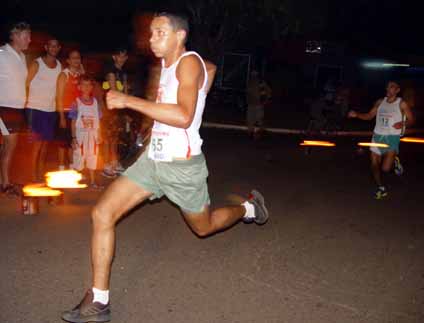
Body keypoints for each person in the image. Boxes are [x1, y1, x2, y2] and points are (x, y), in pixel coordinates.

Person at [61, 12, 269, 323]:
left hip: (181, 167)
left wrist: (129, 101)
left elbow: (184, 115)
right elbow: (209, 71)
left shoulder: (188, 62)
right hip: (153, 161)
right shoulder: (173, 65)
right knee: (102, 213)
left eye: (159, 32)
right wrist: (200, 94)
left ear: (180, 36)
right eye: (151, 33)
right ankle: (99, 300)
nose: (151, 38)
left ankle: (249, 209)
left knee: (204, 226)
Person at [348, 81, 414, 199]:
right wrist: (357, 115)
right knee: (374, 165)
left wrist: (402, 123)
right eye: (387, 87)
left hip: (392, 138)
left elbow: (412, 120)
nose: (388, 89)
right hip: (377, 136)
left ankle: (395, 161)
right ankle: (381, 188)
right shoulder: (380, 102)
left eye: (392, 87)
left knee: (385, 168)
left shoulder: (402, 104)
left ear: (397, 90)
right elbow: (369, 116)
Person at [0, 22, 31, 196]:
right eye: (26, 36)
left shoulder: (22, 57)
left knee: (9, 146)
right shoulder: (2, 53)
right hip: (4, 106)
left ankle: (5, 180)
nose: (29, 40)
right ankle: (5, 184)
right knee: (10, 145)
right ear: (15, 36)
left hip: (17, 107)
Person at [26, 38, 62, 181]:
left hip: (50, 110)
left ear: (59, 48)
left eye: (56, 46)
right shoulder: (37, 64)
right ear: (46, 47)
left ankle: (40, 176)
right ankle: (31, 177)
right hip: (34, 109)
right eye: (51, 46)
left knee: (45, 146)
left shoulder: (59, 65)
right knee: (35, 145)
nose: (53, 48)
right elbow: (25, 84)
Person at [100, 48, 129, 178]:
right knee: (107, 139)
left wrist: (127, 110)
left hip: (119, 110)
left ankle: (114, 162)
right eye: (119, 56)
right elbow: (114, 91)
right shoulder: (111, 72)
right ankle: (106, 165)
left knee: (116, 138)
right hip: (109, 110)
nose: (121, 59)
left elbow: (126, 92)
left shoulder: (123, 73)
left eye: (124, 56)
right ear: (114, 57)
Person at [69, 76, 102, 188]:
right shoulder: (76, 102)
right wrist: (73, 137)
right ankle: (77, 179)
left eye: (89, 85)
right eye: (84, 84)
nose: (87, 87)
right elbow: (73, 121)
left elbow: (98, 119)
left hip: (93, 135)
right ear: (79, 87)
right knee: (79, 155)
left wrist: (99, 134)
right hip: (80, 134)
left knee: (93, 156)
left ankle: (92, 181)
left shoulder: (95, 102)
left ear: (92, 87)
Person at [56, 49, 84, 170]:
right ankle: (61, 168)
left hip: (77, 113)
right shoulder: (64, 74)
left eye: (78, 57)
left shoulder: (80, 75)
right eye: (73, 58)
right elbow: (59, 96)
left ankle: (72, 167)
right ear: (68, 60)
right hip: (66, 112)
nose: (76, 60)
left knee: (73, 141)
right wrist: (61, 116)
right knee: (63, 143)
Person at [246, 70, 271, 139]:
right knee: (251, 118)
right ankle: (251, 132)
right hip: (251, 103)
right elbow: (248, 93)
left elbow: (268, 91)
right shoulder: (250, 82)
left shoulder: (260, 82)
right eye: (252, 74)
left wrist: (265, 100)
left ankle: (260, 132)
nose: (253, 76)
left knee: (258, 118)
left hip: (258, 104)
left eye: (254, 74)